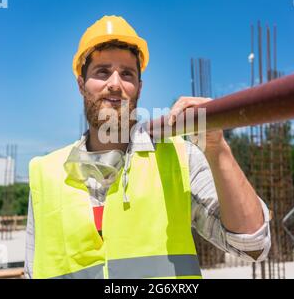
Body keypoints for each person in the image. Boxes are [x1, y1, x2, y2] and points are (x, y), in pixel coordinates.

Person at [24, 15, 271, 279]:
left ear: (138, 88)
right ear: (81, 85)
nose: (115, 84)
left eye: (127, 74)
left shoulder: (179, 158)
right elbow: (32, 272)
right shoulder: (46, 173)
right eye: (102, 72)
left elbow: (253, 245)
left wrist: (216, 148)